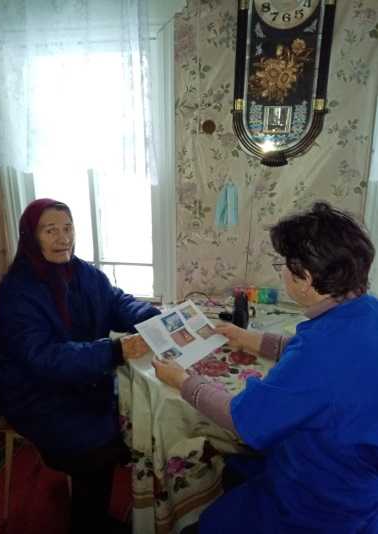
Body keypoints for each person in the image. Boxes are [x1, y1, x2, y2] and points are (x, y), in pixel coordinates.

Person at [153, 202, 378, 534]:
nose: (282, 272)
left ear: (306, 279)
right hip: (361, 488)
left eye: (283, 264)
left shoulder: (317, 353)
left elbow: (243, 419)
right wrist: (250, 339)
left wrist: (184, 380)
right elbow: (324, 359)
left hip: (317, 505)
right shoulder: (366, 309)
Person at [0, 198, 160, 534]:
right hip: (35, 395)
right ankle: (87, 524)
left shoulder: (83, 272)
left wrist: (154, 319)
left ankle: (92, 514)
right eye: (50, 230)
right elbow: (44, 358)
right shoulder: (17, 290)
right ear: (31, 237)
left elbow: (117, 302)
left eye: (67, 228)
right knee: (97, 450)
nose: (63, 238)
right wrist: (114, 351)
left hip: (78, 380)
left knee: (123, 429)